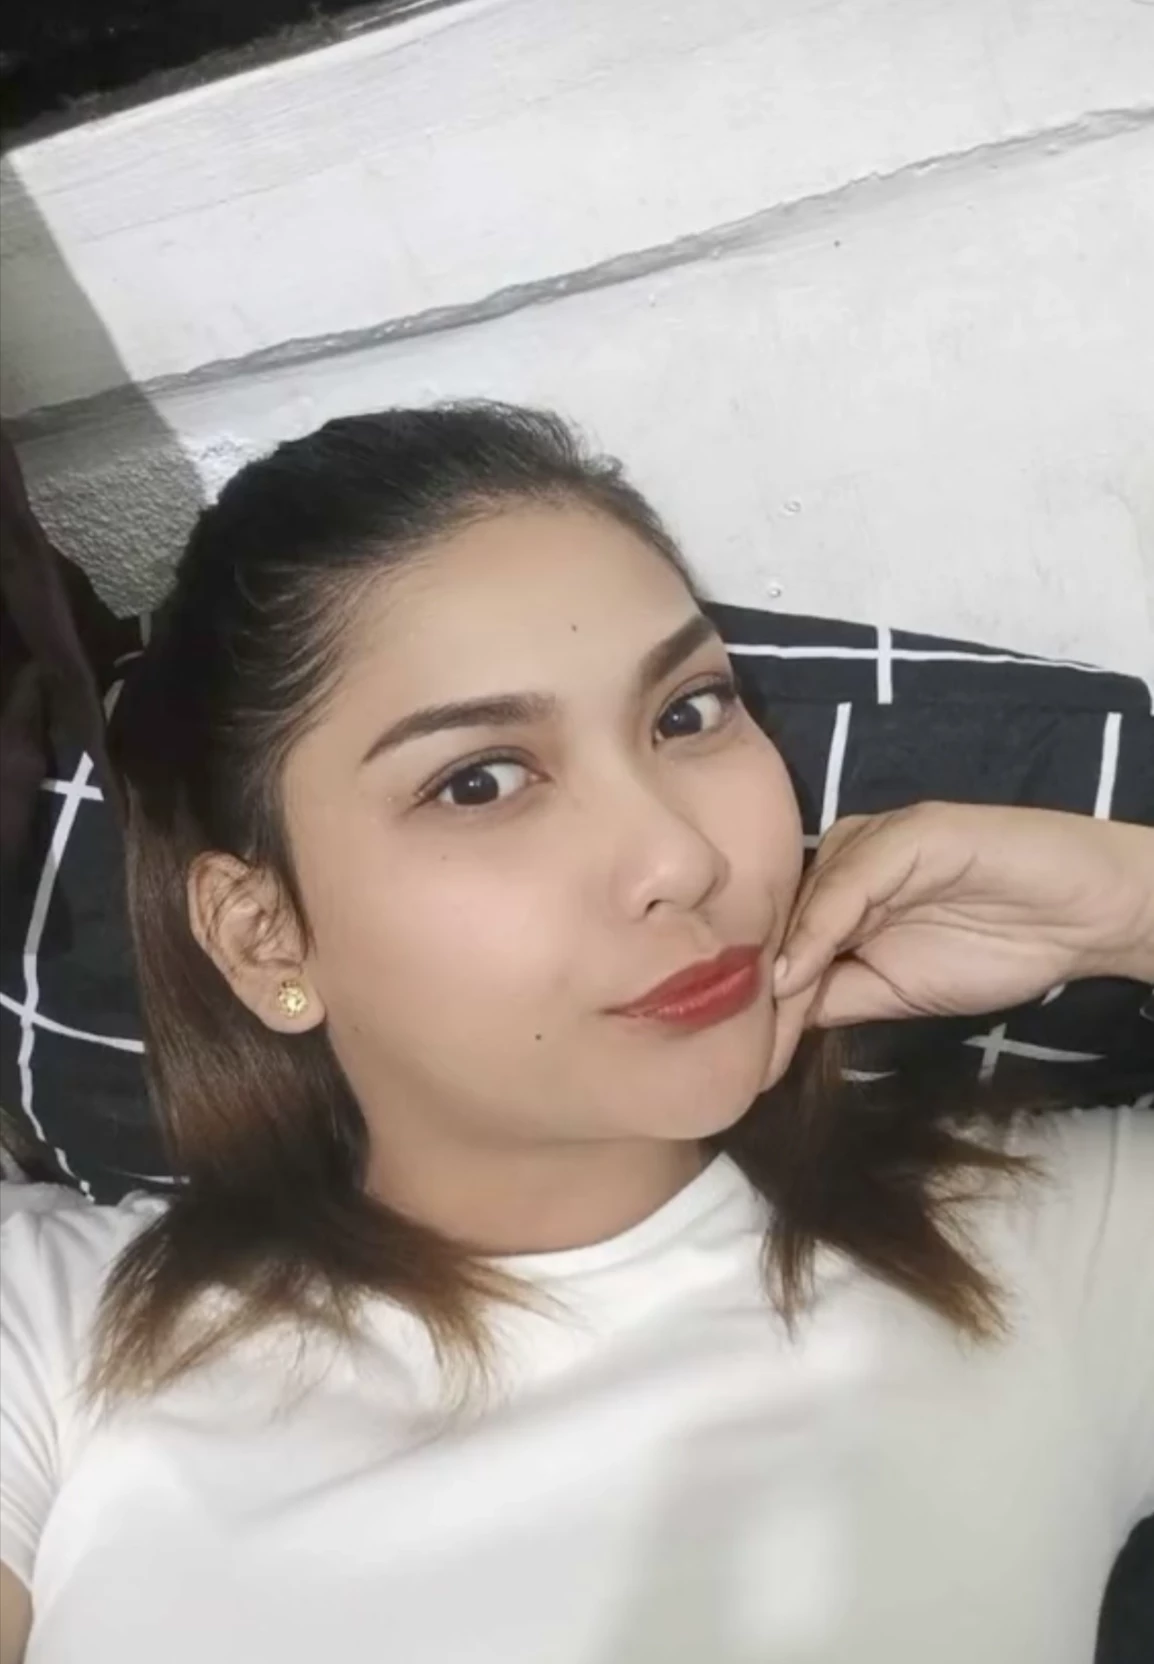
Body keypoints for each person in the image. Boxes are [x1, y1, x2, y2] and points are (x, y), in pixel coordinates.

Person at [0, 404, 1150, 1664]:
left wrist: (1126, 903)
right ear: (264, 933)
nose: (680, 856)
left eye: (688, 713)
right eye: (479, 780)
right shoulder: (60, 1333)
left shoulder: (1045, 1248)